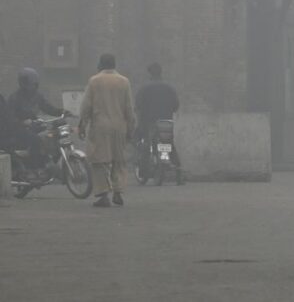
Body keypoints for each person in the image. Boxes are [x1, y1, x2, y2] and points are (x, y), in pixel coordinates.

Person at [78, 54, 136, 207]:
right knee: (119, 160)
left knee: (99, 161)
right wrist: (131, 127)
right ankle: (118, 191)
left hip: (100, 126)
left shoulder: (94, 81)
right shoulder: (124, 81)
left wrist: (82, 124)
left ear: (100, 64)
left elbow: (86, 106)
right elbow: (129, 108)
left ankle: (103, 194)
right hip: (119, 126)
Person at [7, 67, 70, 168]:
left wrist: (61, 112)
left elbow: (48, 108)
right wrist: (23, 122)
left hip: (34, 126)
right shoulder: (14, 98)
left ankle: (50, 160)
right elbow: (9, 118)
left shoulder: (37, 96)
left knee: (52, 134)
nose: (33, 87)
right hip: (18, 129)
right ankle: (36, 167)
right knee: (36, 140)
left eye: (35, 84)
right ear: (23, 84)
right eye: (31, 84)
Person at [134, 63, 180, 179]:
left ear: (150, 74)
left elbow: (138, 106)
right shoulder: (169, 88)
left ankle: (144, 172)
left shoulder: (144, 88)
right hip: (165, 122)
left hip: (149, 122)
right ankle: (178, 169)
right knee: (167, 143)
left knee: (147, 144)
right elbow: (175, 106)